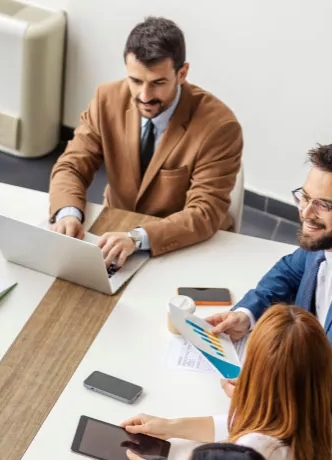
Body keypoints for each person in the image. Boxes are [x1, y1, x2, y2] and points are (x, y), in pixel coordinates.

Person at [48, 17, 242, 268]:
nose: (145, 96)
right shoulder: (105, 99)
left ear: (182, 73)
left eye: (158, 83)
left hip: (180, 243)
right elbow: (72, 166)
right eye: (136, 81)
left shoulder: (220, 127)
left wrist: (138, 238)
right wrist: (68, 213)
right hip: (115, 229)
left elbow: (204, 213)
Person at [122, 305, 332, 460]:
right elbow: (245, 423)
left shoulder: (259, 450)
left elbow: (251, 438)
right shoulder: (314, 416)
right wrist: (171, 426)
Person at [208, 144, 332, 343]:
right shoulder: (319, 247)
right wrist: (247, 315)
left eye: (323, 205)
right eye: (306, 198)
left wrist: (269, 374)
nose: (306, 213)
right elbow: (289, 272)